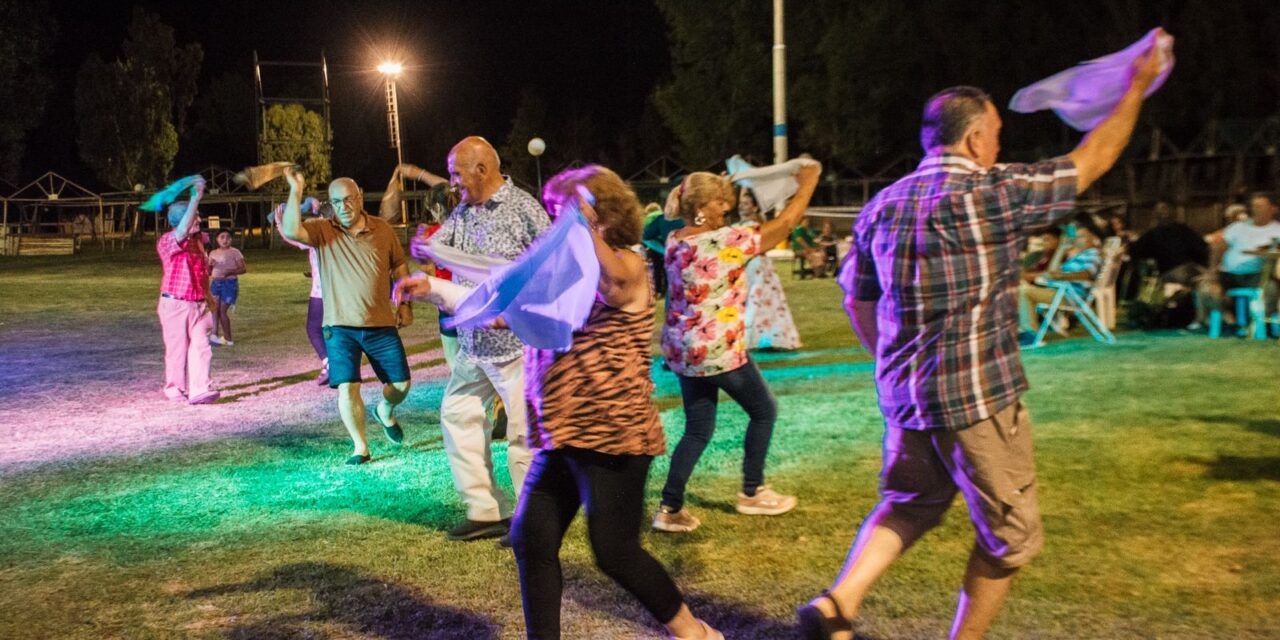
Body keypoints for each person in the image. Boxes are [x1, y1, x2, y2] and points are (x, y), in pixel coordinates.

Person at [799, 37, 1168, 640]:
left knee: (911, 502)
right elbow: (1095, 156)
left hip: (905, 400)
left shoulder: (882, 206)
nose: (1000, 144)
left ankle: (839, 602)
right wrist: (1136, 85)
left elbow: (855, 298)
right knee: (1010, 538)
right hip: (978, 403)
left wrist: (890, 362)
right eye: (995, 132)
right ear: (973, 140)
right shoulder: (997, 192)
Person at [496, 165, 722, 640]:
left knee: (615, 550)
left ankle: (695, 633)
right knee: (530, 538)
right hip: (562, 432)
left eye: (564, 212)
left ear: (597, 215)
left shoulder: (628, 261)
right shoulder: (566, 273)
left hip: (612, 434)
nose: (556, 223)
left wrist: (584, 230)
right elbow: (508, 313)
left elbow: (614, 286)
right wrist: (435, 288)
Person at [654, 163, 821, 533]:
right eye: (720, 204)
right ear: (702, 207)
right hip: (718, 350)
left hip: (685, 352)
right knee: (764, 411)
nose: (725, 210)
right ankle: (752, 491)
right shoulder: (725, 241)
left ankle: (669, 508)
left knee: (698, 430)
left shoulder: (675, 240)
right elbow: (786, 225)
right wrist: (807, 183)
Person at [409, 136, 549, 541]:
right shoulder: (465, 212)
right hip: (474, 344)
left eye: (456, 172)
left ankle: (532, 521)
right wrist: (426, 251)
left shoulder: (525, 210)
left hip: (517, 348)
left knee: (524, 435)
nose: (453, 181)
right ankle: (486, 511)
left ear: (482, 169)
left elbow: (548, 273)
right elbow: (442, 252)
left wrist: (520, 314)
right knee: (458, 416)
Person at [279, 168, 414, 465]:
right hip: (338, 327)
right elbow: (290, 230)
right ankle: (360, 448)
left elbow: (399, 266)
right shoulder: (322, 229)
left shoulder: (383, 229)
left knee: (402, 385)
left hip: (380, 323)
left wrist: (405, 304)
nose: (343, 207)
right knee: (347, 386)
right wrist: (295, 189)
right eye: (337, 202)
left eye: (349, 200)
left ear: (360, 197)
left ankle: (385, 411)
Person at [156, 178, 219, 405]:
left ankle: (200, 389)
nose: (199, 220)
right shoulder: (167, 241)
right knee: (177, 349)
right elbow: (181, 232)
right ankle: (174, 387)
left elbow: (201, 273)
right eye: (195, 216)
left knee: (202, 344)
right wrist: (195, 197)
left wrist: (209, 297)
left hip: (198, 303)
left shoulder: (199, 241)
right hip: (175, 304)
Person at [1191, 192, 1280, 332]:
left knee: (1272, 290)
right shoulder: (1238, 227)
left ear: (1273, 209)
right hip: (1228, 274)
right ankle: (1229, 318)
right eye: (1253, 206)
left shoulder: (1277, 230)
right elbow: (1218, 246)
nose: (1255, 209)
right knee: (1206, 288)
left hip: (1258, 275)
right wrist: (1212, 271)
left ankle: (1256, 326)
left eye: (1260, 206)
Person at [739, 186, 802, 351]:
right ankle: (764, 336)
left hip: (756, 264)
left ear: (754, 207)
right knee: (759, 300)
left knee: (756, 299)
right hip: (753, 264)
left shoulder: (754, 225)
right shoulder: (750, 224)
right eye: (742, 203)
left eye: (746, 204)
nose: (742, 206)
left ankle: (757, 337)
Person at [275, 200, 330, 385]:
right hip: (343, 290)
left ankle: (329, 363)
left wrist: (279, 223)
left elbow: (292, 237)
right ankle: (337, 365)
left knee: (314, 329)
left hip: (321, 290)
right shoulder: (344, 233)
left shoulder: (317, 234)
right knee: (336, 329)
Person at [1017, 223, 1102, 341]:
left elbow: (1087, 274)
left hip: (1070, 296)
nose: (1081, 240)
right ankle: (1028, 331)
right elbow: (1053, 270)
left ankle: (1029, 334)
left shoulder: (1092, 254)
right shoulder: (1078, 256)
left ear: (1092, 238)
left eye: (1083, 237)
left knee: (1024, 291)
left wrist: (1061, 275)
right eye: (1078, 237)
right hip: (1062, 292)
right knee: (1023, 290)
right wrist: (1061, 253)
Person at [207, 230, 247, 346]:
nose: (225, 240)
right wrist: (210, 265)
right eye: (222, 237)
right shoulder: (213, 253)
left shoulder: (235, 252)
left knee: (222, 311)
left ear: (231, 240)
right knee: (214, 309)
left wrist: (230, 272)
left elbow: (243, 269)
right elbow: (209, 272)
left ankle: (229, 339)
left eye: (228, 237)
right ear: (217, 239)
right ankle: (214, 335)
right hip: (215, 283)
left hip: (229, 284)